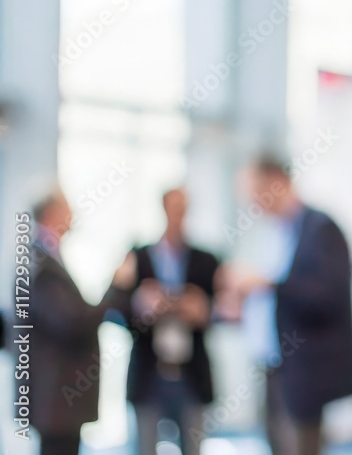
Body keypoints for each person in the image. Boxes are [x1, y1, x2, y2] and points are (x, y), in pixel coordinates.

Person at [220, 155, 352, 455]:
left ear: (276, 183)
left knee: (299, 446)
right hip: (272, 364)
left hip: (304, 369)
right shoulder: (274, 234)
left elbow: (327, 296)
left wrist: (267, 284)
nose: (252, 204)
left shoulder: (320, 228)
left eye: (255, 193)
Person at [27, 188, 136, 455]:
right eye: (67, 206)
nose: (73, 213)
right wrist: (116, 286)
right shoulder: (40, 263)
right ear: (52, 213)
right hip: (56, 396)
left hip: (60, 399)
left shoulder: (49, 258)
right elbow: (71, 323)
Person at [124, 189, 219, 455]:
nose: (178, 214)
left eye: (183, 208)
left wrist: (197, 308)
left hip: (191, 371)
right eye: (173, 207)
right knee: (145, 447)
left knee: (193, 445)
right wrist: (143, 306)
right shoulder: (139, 257)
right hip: (149, 371)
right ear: (163, 209)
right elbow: (118, 312)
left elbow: (216, 311)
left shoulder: (205, 260)